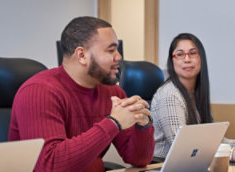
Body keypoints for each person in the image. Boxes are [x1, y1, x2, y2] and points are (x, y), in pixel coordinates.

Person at [8, 16, 154, 172]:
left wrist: (143, 126)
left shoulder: (113, 92)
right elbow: (50, 165)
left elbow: (139, 160)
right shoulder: (38, 91)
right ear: (82, 55)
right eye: (111, 50)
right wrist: (113, 123)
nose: (119, 57)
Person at [151, 33, 235, 165]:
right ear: (172, 61)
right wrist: (231, 153)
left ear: (201, 58)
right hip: (161, 166)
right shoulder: (170, 95)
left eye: (193, 53)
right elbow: (182, 148)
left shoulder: (196, 94)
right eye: (180, 54)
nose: (187, 59)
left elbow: (212, 140)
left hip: (191, 165)